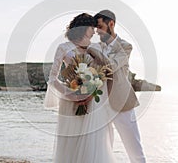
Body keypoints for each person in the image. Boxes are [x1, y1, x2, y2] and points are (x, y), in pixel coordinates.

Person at [44, 13, 117, 163]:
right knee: (71, 142)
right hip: (71, 101)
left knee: (93, 140)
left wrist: (90, 92)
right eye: (92, 27)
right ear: (83, 27)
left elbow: (105, 70)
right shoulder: (63, 48)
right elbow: (52, 78)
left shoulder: (95, 47)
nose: (94, 31)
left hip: (93, 101)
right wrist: (72, 94)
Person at [87, 10, 146, 163]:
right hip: (100, 105)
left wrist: (92, 49)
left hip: (121, 103)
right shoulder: (96, 46)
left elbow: (111, 66)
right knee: (103, 150)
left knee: (135, 151)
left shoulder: (125, 47)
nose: (97, 32)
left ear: (111, 24)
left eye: (100, 27)